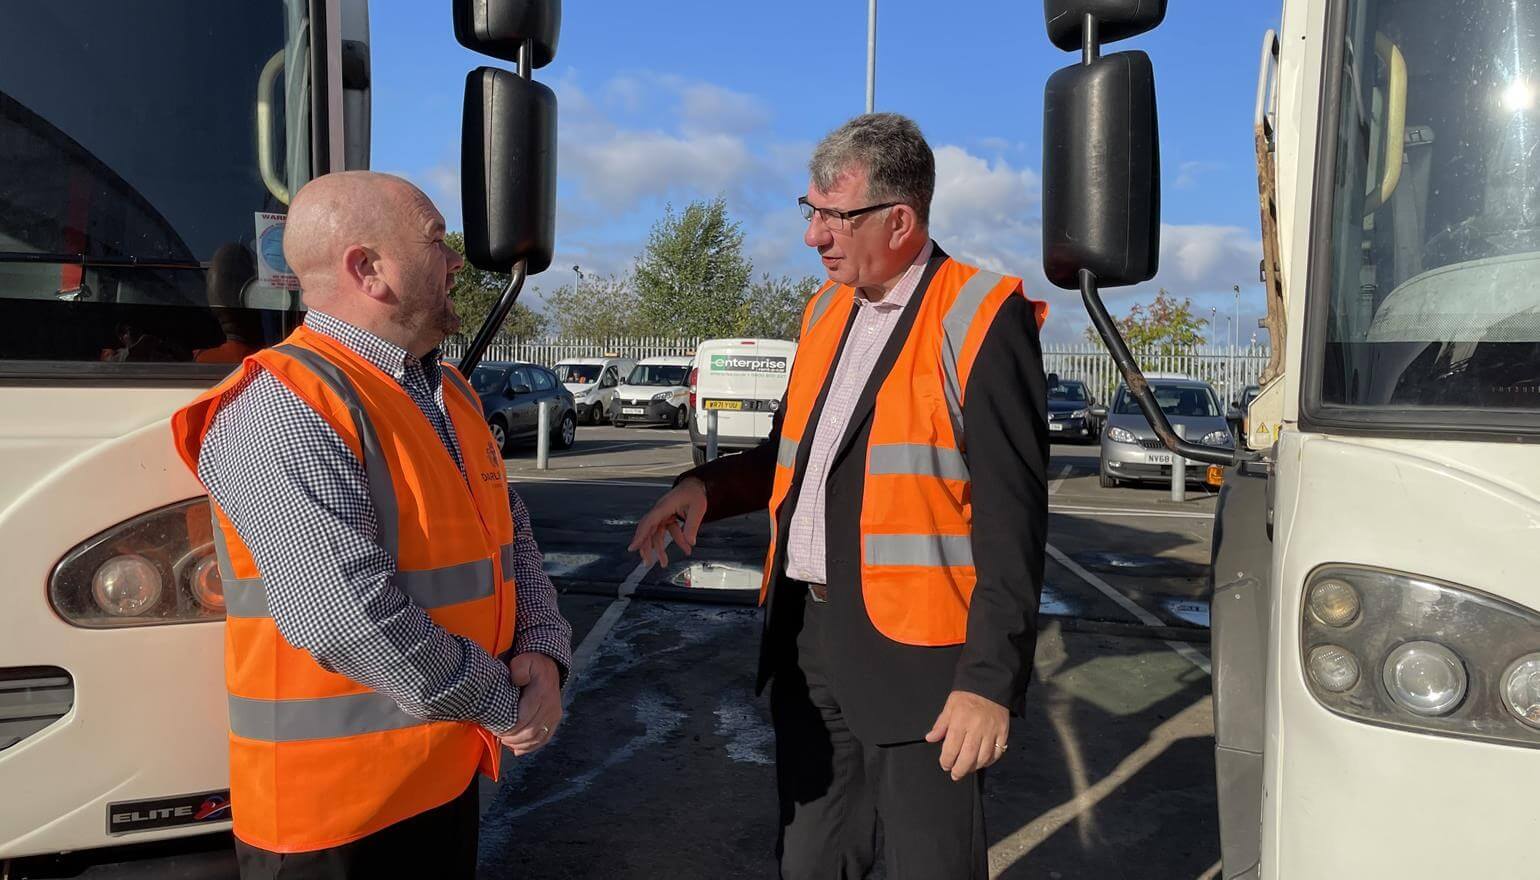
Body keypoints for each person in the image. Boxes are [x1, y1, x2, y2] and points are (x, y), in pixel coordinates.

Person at [630, 113, 1050, 879]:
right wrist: (703, 487)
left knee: (932, 863)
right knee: (811, 857)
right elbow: (795, 453)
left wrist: (989, 685)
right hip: (806, 639)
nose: (813, 236)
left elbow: (1014, 522)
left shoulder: (982, 315)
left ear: (900, 219)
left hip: (924, 660)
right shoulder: (826, 309)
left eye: (835, 216)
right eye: (810, 211)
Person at [169, 171, 572, 879]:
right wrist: (503, 702)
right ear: (368, 269)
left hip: (439, 781)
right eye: (437, 241)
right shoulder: (283, 409)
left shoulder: (450, 392)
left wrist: (543, 645)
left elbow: (514, 536)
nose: (457, 262)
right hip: (332, 826)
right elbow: (345, 619)